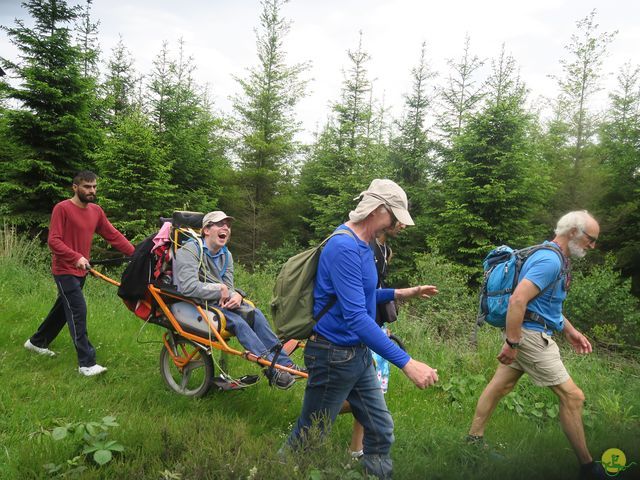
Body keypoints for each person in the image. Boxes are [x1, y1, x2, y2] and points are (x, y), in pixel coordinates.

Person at [284, 179, 439, 479]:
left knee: (380, 429)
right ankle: (274, 471)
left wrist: (404, 292)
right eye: (396, 216)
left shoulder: (365, 244)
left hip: (356, 354)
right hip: (333, 356)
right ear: (379, 210)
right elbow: (356, 316)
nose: (401, 225)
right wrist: (408, 364)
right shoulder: (344, 246)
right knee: (309, 437)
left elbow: (362, 295)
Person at [467, 210, 606, 480]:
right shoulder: (549, 260)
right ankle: (589, 468)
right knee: (573, 397)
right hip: (531, 337)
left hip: (528, 332)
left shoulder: (554, 257)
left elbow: (546, 306)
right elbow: (518, 301)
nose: (593, 245)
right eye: (591, 239)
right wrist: (512, 341)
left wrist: (571, 331)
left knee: (500, 386)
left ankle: (473, 441)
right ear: (574, 232)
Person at [172, 211, 300, 390]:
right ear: (206, 230)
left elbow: (228, 286)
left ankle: (285, 364)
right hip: (195, 302)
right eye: (219, 224)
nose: (226, 227)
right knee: (238, 322)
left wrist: (237, 295)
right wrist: (219, 290)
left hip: (218, 302)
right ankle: (271, 368)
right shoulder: (190, 250)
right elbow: (187, 287)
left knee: (254, 313)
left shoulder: (226, 255)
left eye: (228, 225)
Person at [24, 171, 135, 376]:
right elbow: (54, 241)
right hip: (64, 270)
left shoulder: (96, 211)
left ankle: (36, 342)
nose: (91, 190)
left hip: (81, 271)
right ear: (75, 187)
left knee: (62, 310)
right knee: (77, 310)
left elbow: (113, 235)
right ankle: (86, 363)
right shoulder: (63, 208)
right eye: (86, 186)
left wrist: (136, 254)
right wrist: (75, 257)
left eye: (94, 187)